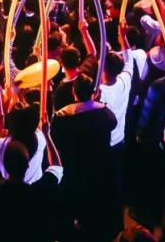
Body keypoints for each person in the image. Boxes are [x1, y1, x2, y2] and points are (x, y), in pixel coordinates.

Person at [52, 74, 121, 240]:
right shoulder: (104, 113)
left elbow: (56, 138)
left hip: (76, 169)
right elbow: (113, 123)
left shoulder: (62, 118)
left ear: (74, 93)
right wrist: (95, 104)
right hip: (100, 167)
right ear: (92, 92)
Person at [0, 129, 64, 242]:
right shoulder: (36, 192)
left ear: (4, 164)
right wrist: (47, 134)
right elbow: (57, 167)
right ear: (27, 165)